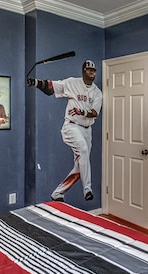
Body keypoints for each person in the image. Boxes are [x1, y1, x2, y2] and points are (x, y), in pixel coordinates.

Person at [29, 60, 102, 202]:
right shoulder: (72, 83)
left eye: (93, 71)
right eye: (89, 70)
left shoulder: (97, 92)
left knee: (81, 165)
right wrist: (35, 83)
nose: (91, 73)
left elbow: (94, 113)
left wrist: (81, 111)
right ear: (83, 71)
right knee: (84, 152)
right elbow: (51, 87)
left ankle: (58, 193)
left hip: (87, 130)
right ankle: (87, 189)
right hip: (72, 126)